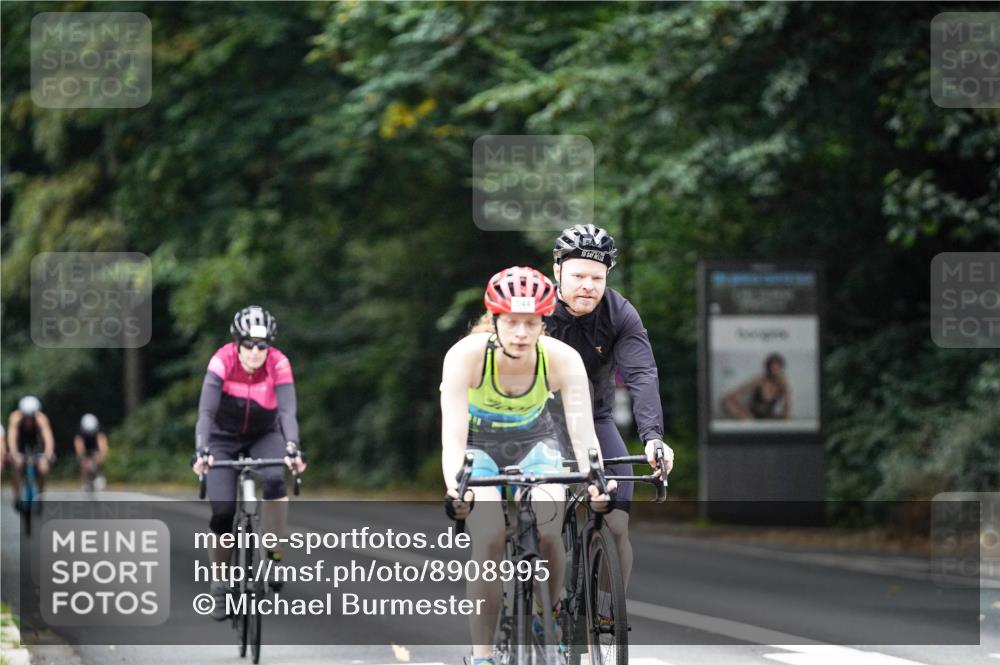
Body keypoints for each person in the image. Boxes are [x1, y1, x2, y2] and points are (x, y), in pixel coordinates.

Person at [441, 266, 616, 665]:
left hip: (536, 442)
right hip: (480, 447)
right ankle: (482, 654)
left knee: (550, 528)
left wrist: (596, 480)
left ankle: (546, 615)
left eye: (531, 323)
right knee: (487, 536)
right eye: (513, 323)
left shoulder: (561, 358)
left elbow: (582, 432)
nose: (521, 333)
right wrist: (457, 487)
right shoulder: (464, 357)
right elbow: (452, 436)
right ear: (495, 321)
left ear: (543, 322)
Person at [545, 223, 674, 591]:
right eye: (578, 275)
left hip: (594, 418)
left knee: (617, 525)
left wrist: (653, 439)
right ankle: (539, 602)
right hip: (540, 422)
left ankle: (604, 616)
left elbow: (642, 374)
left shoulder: (620, 313)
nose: (588, 285)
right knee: (545, 524)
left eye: (597, 277)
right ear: (557, 270)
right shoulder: (536, 311)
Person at [190, 305, 307, 620]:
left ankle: (274, 553)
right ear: (237, 343)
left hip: (263, 434)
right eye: (249, 344)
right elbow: (205, 414)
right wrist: (202, 450)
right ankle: (219, 582)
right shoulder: (221, 362)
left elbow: (286, 413)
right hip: (222, 438)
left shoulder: (279, 363)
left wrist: (293, 447)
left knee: (273, 480)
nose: (256, 352)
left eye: (262, 345)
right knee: (223, 513)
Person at [7, 395, 57, 509]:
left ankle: (40, 496)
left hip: (36, 444)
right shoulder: (15, 418)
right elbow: (12, 438)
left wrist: (48, 455)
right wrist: (14, 454)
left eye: (31, 416)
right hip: (20, 444)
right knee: (16, 466)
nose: (29, 420)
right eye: (26, 416)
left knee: (43, 469)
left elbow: (48, 439)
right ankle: (17, 496)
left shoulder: (42, 419)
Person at [722, 353, 791, 420]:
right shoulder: (759, 380)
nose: (775, 372)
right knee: (726, 401)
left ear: (781, 369)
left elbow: (787, 409)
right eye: (772, 369)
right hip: (751, 416)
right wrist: (743, 411)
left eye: (777, 369)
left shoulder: (783, 383)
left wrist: (785, 389)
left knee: (787, 417)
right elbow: (731, 396)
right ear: (768, 369)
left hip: (768, 417)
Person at [74, 413, 109, 490]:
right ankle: (85, 481)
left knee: (98, 460)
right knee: (84, 463)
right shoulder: (80, 432)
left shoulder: (99, 430)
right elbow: (79, 445)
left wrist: (101, 456)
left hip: (95, 447)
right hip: (85, 448)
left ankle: (98, 475)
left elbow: (103, 445)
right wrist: (83, 458)